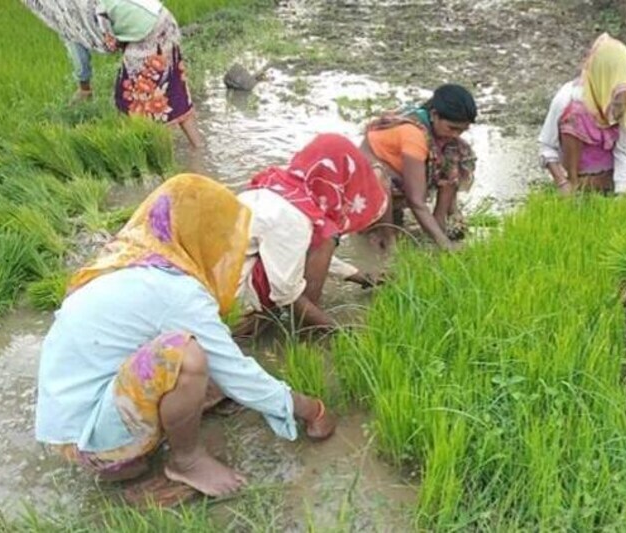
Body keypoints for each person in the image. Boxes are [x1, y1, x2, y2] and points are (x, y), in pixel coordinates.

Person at [35, 174, 335, 498]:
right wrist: (312, 409)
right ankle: (185, 461)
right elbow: (237, 373)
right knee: (188, 357)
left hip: (68, 422)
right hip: (91, 441)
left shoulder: (134, 262)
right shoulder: (177, 292)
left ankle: (129, 455)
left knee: (203, 361)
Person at [234, 134, 390, 335]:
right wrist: (340, 331)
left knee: (315, 242)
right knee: (326, 239)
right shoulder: (292, 217)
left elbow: (291, 248)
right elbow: (286, 294)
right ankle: (262, 324)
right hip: (228, 308)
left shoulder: (278, 189)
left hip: (209, 288)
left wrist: (357, 276)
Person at [22, 0, 203, 148]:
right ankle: (198, 150)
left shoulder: (71, 13)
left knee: (132, 102)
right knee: (175, 91)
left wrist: (84, 87)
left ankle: (157, 156)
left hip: (147, 34)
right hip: (163, 20)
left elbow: (91, 49)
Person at [538, 33, 626, 195]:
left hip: (610, 168)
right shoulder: (569, 96)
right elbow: (546, 146)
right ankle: (575, 183)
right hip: (581, 166)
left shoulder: (623, 98)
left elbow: (624, 150)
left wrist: (621, 192)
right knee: (575, 115)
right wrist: (562, 182)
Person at [362, 84, 478, 252]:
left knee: (456, 152)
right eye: (452, 128)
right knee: (379, 177)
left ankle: (441, 221)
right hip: (368, 185)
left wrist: (449, 219)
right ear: (434, 115)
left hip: (399, 175)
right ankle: (388, 240)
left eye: (462, 130)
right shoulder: (413, 135)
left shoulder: (439, 134)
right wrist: (446, 246)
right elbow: (415, 200)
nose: (455, 135)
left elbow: (448, 174)